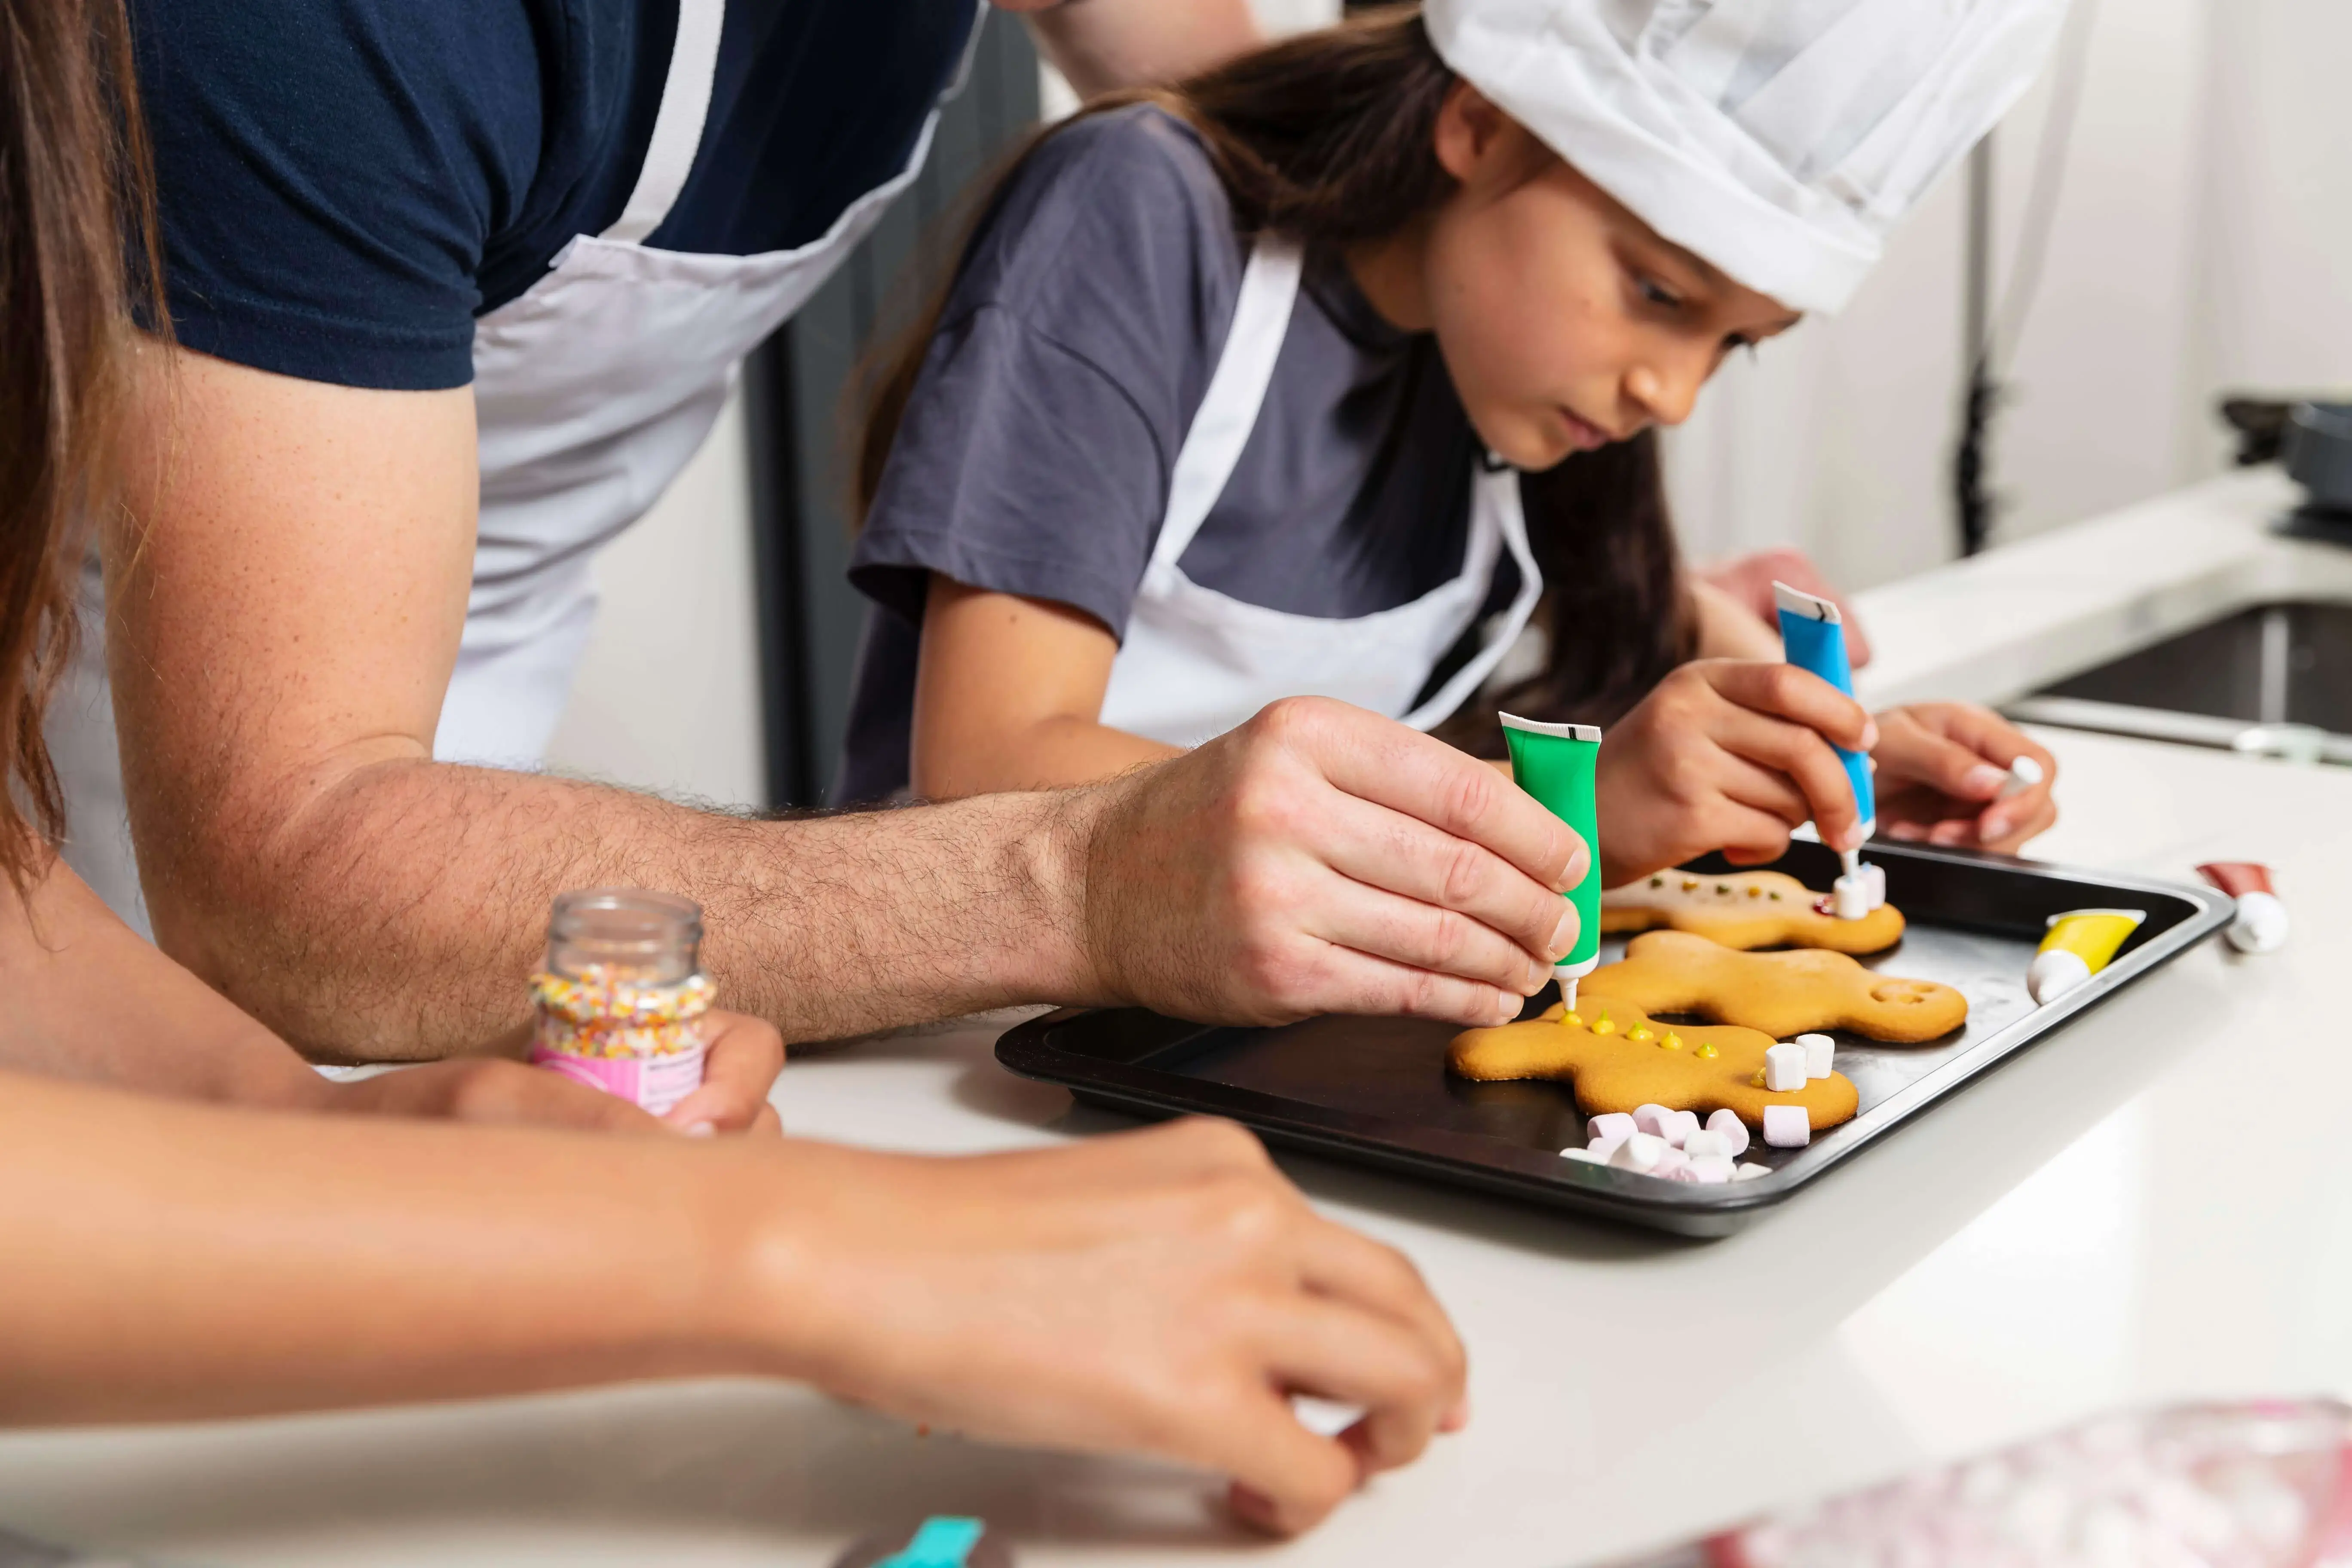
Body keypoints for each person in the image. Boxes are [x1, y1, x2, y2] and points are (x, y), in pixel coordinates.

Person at [0, 0, 1464, 1535]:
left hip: (227, 973)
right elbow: (282, 855)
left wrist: (309, 1136)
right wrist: (803, 1251)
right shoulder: (302, 37)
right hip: (160, 832)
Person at [45, 0, 1615, 1065]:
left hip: (485, 756)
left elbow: (1295, 130)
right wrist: (1084, 881)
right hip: (110, 789)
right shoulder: (328, 33)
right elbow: (279, 860)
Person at [835, 0, 2063, 876]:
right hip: (975, 1041)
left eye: (1736, 342)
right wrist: (1557, 816)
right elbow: (991, 763)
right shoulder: (1148, 211)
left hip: (1260, 1030)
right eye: (1661, 295)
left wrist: (1834, 772)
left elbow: (1660, 622)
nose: (1675, 394)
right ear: (1479, 127)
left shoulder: (1512, 376)